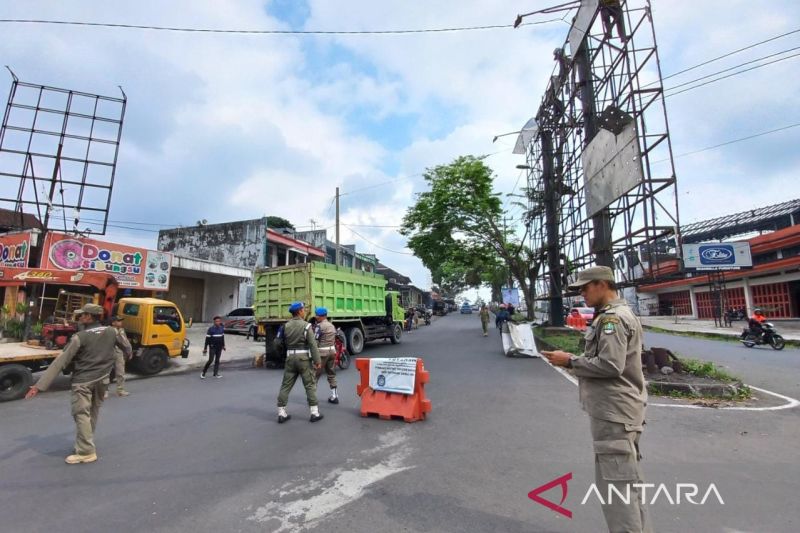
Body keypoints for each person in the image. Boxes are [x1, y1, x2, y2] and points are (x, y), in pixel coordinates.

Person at [542, 266, 652, 533]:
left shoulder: (613, 319)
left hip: (615, 412)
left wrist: (569, 361)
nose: (582, 293)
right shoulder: (616, 315)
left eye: (585, 287)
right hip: (622, 411)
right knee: (627, 483)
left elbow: (610, 365)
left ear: (602, 284)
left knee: (616, 488)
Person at [25, 304, 132, 464]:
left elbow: (61, 361)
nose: (80, 317)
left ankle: (86, 452)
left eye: (82, 315)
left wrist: (38, 386)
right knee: (93, 412)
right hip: (102, 379)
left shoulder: (80, 337)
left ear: (89, 317)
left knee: (81, 414)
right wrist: (124, 357)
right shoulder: (112, 331)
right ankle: (85, 443)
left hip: (83, 381)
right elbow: (127, 348)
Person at [276, 302, 323, 423]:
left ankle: (281, 413)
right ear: (300, 311)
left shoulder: (285, 326)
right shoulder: (307, 326)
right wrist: (317, 360)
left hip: (290, 358)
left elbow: (277, 343)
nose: (305, 311)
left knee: (286, 385)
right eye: (304, 309)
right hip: (304, 359)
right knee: (309, 385)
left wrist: (282, 355)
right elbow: (313, 344)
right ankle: (314, 413)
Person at [313, 307, 339, 404]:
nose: (315, 317)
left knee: (314, 375)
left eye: (317, 315)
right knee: (331, 374)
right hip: (332, 351)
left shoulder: (319, 326)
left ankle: (312, 398)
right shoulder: (332, 325)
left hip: (322, 353)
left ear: (321, 316)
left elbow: (315, 341)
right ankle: (335, 396)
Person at [107, 315, 132, 397]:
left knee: (120, 372)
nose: (121, 322)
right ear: (113, 323)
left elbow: (125, 342)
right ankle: (104, 391)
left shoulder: (121, 330)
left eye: (121, 320)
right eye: (118, 321)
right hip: (109, 352)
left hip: (119, 352)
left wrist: (129, 351)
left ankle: (120, 390)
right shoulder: (108, 330)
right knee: (106, 373)